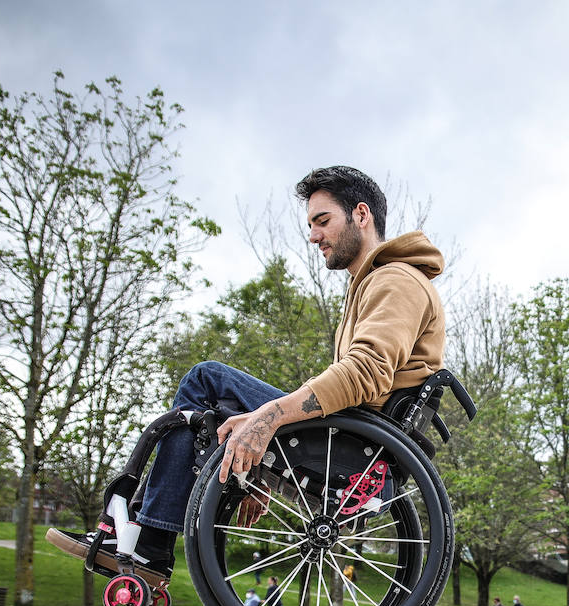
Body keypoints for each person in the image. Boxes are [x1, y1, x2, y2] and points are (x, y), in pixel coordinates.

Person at [47, 166, 447, 583]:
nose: (314, 236)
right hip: (349, 434)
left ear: (361, 215)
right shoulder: (374, 283)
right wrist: (255, 463)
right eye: (311, 225)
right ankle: (146, 538)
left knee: (205, 380)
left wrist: (269, 419)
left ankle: (148, 542)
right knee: (206, 413)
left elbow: (365, 373)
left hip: (355, 446)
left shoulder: (395, 280)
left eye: (322, 220)